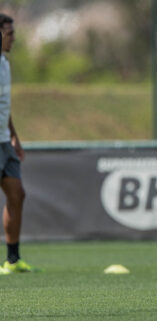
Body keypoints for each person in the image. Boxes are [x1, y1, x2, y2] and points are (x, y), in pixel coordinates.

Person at [0, 13, 37, 274]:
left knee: (17, 194)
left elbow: (4, 106)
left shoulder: (5, 62)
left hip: (4, 140)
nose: (13, 37)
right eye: (9, 33)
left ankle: (12, 260)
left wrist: (14, 135)